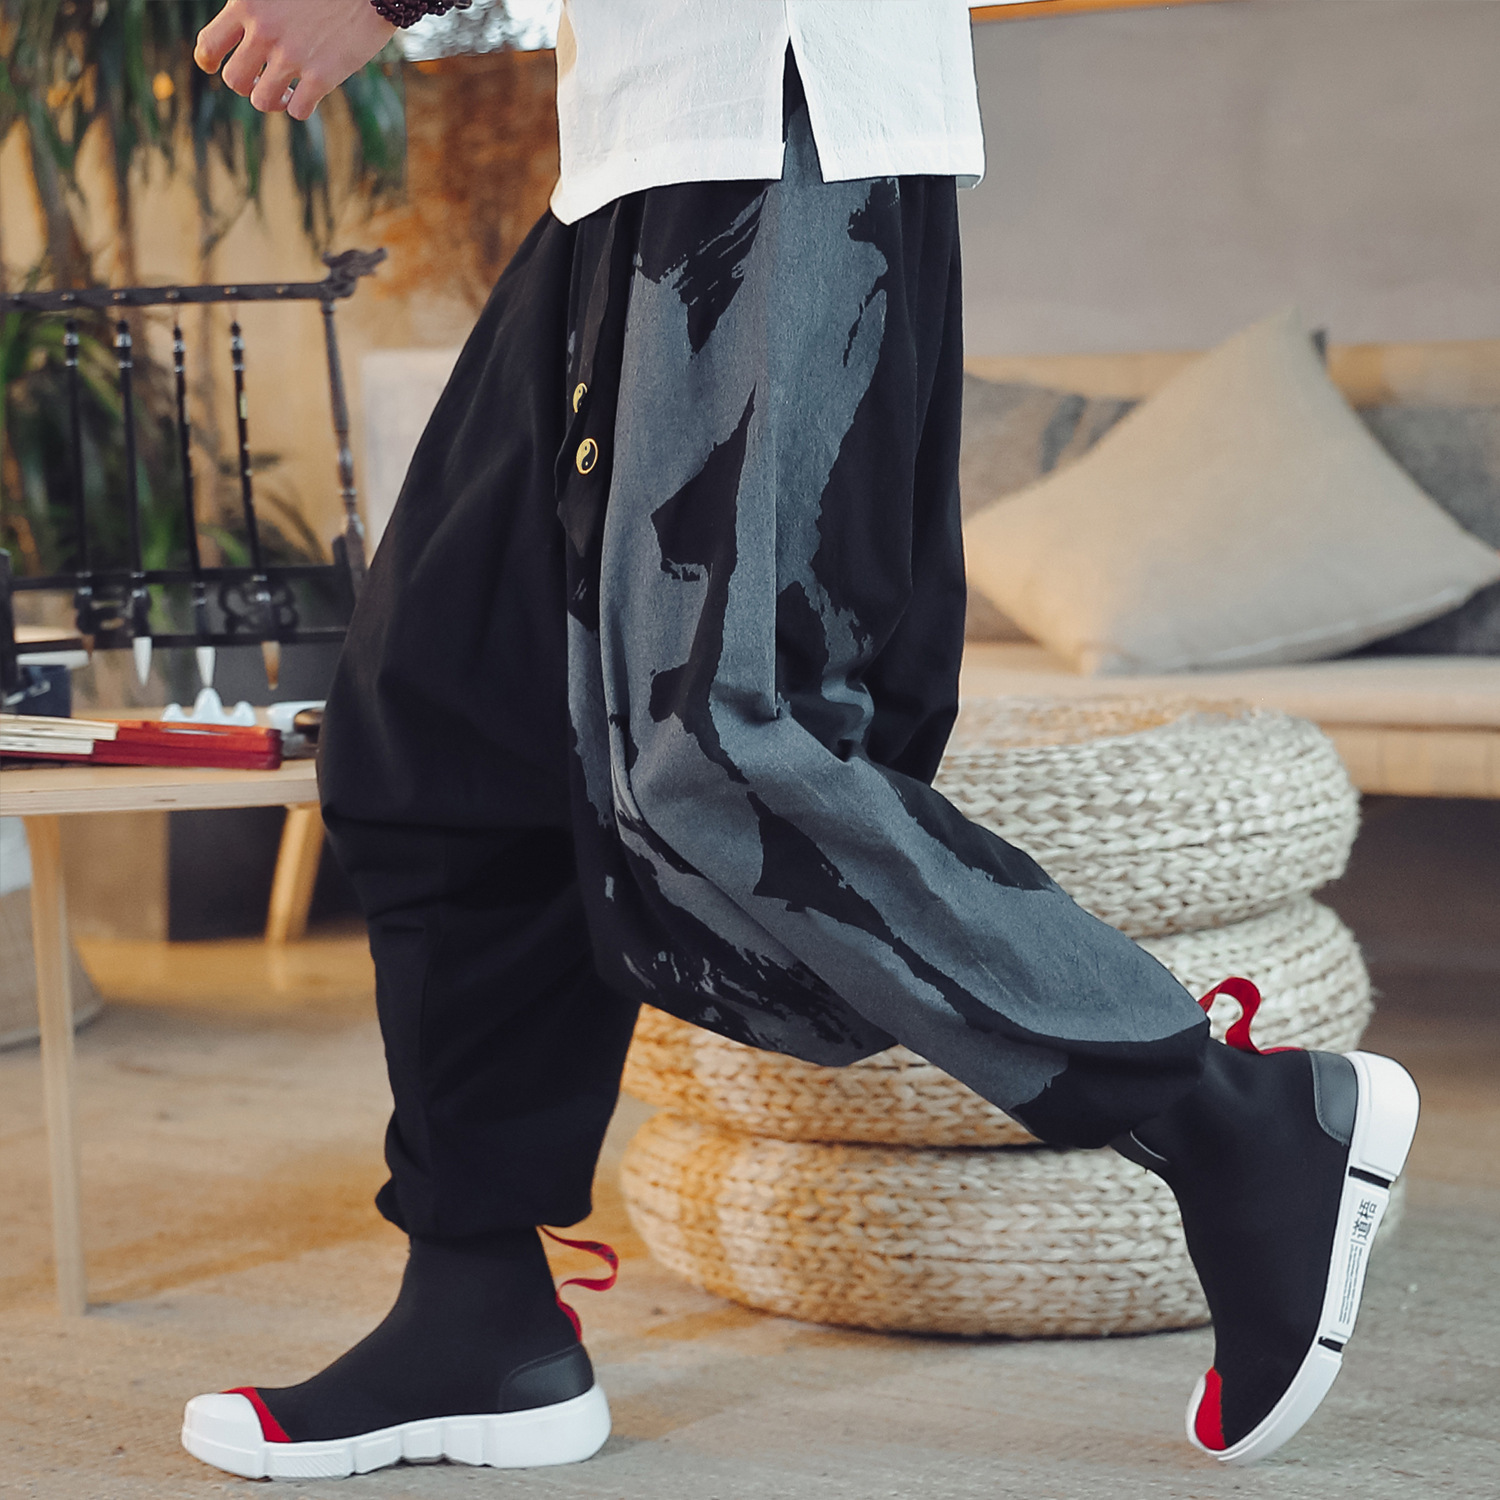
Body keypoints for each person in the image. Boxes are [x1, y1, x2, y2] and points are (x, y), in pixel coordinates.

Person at [181, 0, 1419, 1482]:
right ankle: (477, 1315)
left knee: (715, 738)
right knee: (437, 718)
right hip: (641, 137)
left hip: (781, 106)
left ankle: (1229, 1119)